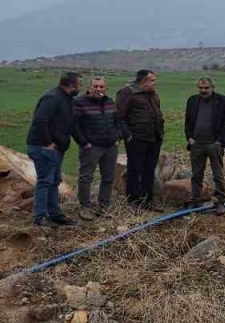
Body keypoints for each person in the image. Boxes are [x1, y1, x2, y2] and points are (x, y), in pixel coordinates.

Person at [26, 72, 81, 227]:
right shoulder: (53, 98)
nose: (80, 88)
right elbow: (40, 120)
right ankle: (40, 217)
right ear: (71, 85)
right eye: (79, 84)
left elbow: (69, 124)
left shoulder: (66, 99)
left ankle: (55, 214)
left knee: (54, 181)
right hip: (43, 147)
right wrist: (48, 143)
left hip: (56, 149)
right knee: (45, 181)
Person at [71, 76, 127, 219]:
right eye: (95, 86)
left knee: (108, 177)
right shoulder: (79, 102)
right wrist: (84, 143)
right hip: (91, 147)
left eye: (101, 87)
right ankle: (85, 206)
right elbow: (74, 126)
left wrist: (118, 137)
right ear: (89, 88)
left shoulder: (109, 102)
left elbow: (118, 121)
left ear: (105, 88)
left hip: (110, 146)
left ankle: (104, 205)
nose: (98, 89)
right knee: (86, 177)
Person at [185, 76, 225, 215]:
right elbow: (188, 121)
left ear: (212, 87)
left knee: (217, 174)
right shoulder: (192, 100)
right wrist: (189, 138)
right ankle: (196, 202)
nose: (203, 90)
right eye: (200, 88)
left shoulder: (223, 101)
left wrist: (219, 141)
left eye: (206, 88)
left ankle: (220, 202)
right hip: (197, 144)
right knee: (196, 175)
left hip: (214, 143)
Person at [117, 69, 165, 210]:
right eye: (152, 80)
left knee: (149, 170)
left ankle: (147, 199)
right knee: (134, 169)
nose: (155, 83)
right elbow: (119, 116)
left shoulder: (153, 94)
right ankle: (133, 200)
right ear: (143, 81)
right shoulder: (127, 92)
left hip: (154, 138)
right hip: (137, 139)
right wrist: (129, 136)